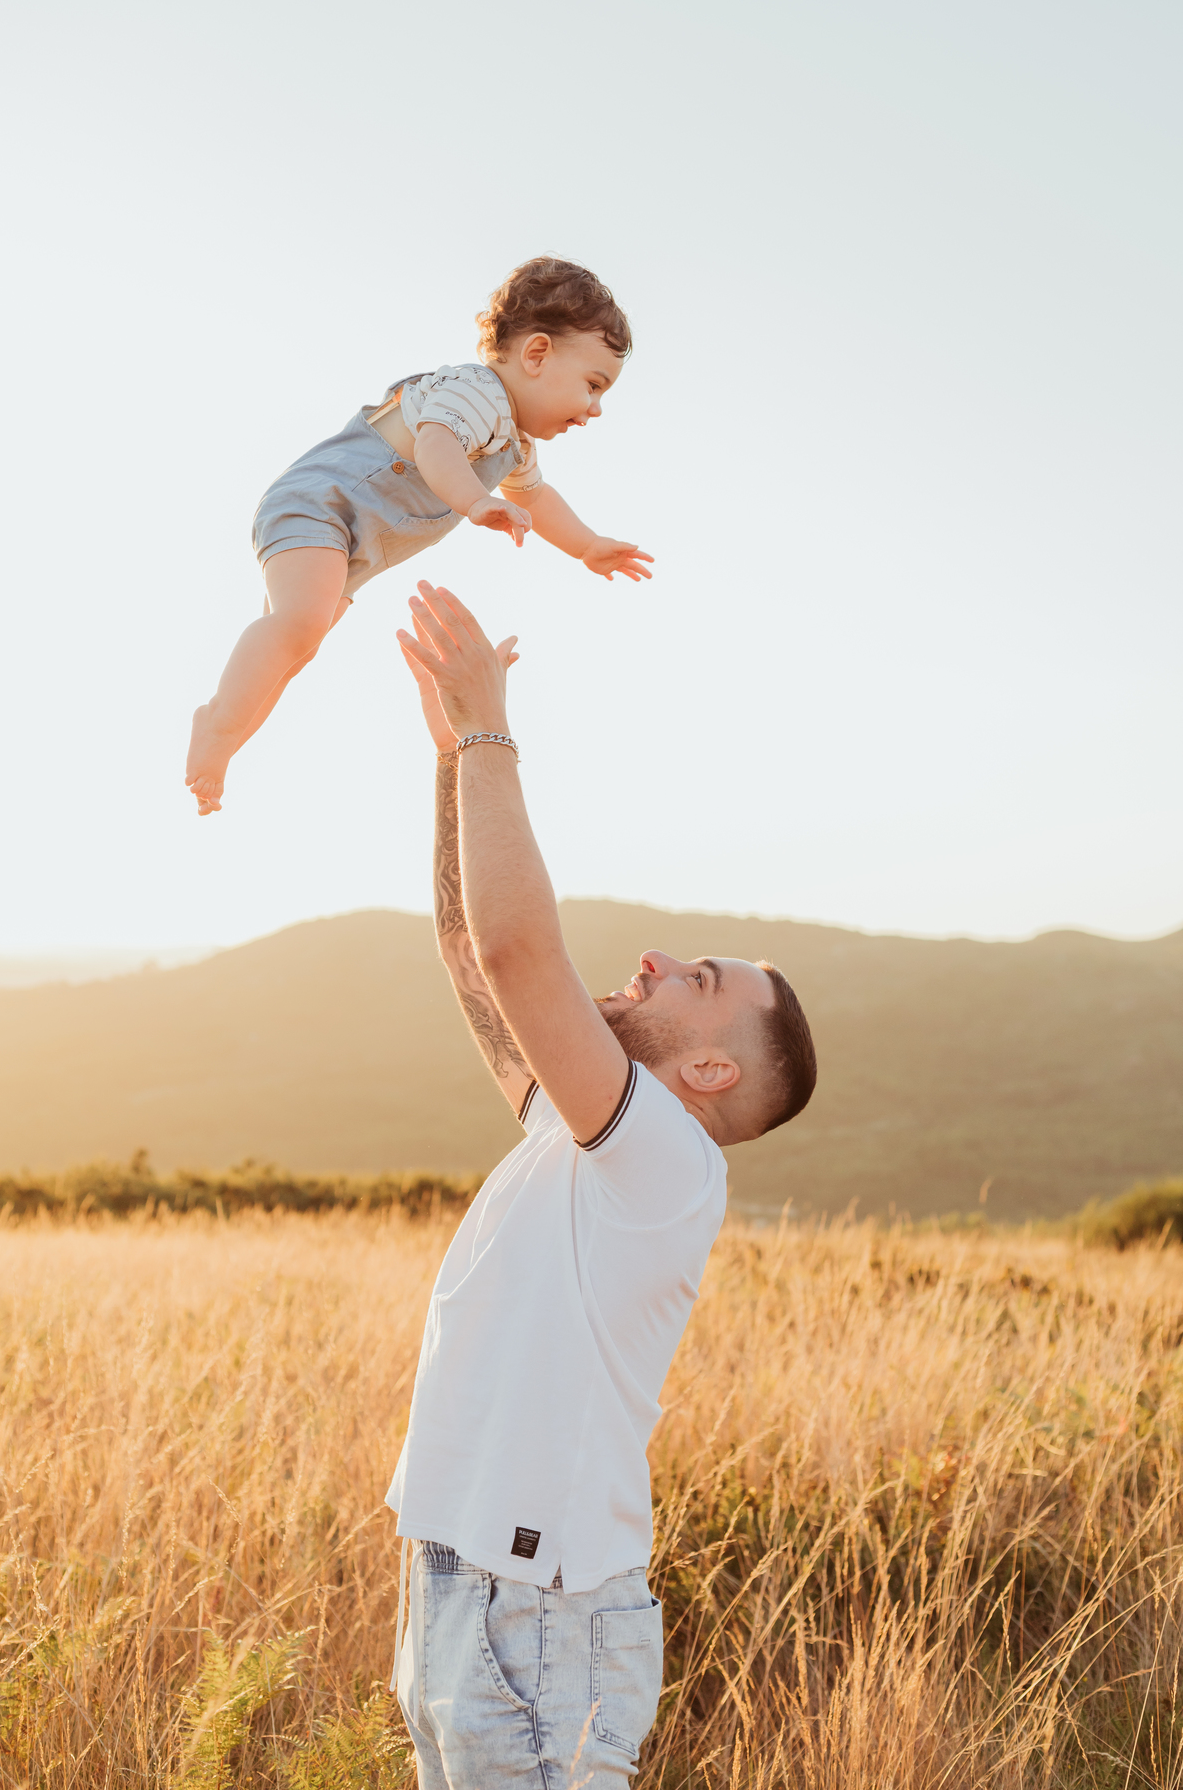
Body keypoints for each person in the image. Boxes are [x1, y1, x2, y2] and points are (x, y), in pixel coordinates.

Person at [386, 581, 817, 1788]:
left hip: (538, 1612)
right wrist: (446, 761)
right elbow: (478, 957)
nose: (661, 959)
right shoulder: (585, 1142)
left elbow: (527, 957)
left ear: (713, 1066)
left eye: (700, 977)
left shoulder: (663, 1163)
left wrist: (490, 729)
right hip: (467, 1588)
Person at [185, 257, 652, 814]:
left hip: (351, 544)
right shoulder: (476, 392)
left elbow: (536, 498)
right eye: (593, 385)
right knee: (299, 625)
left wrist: (586, 545)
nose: (595, 409)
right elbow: (436, 446)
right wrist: (477, 500)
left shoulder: (517, 445)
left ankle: (227, 742)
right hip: (321, 506)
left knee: (296, 648)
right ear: (536, 355)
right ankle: (216, 722)